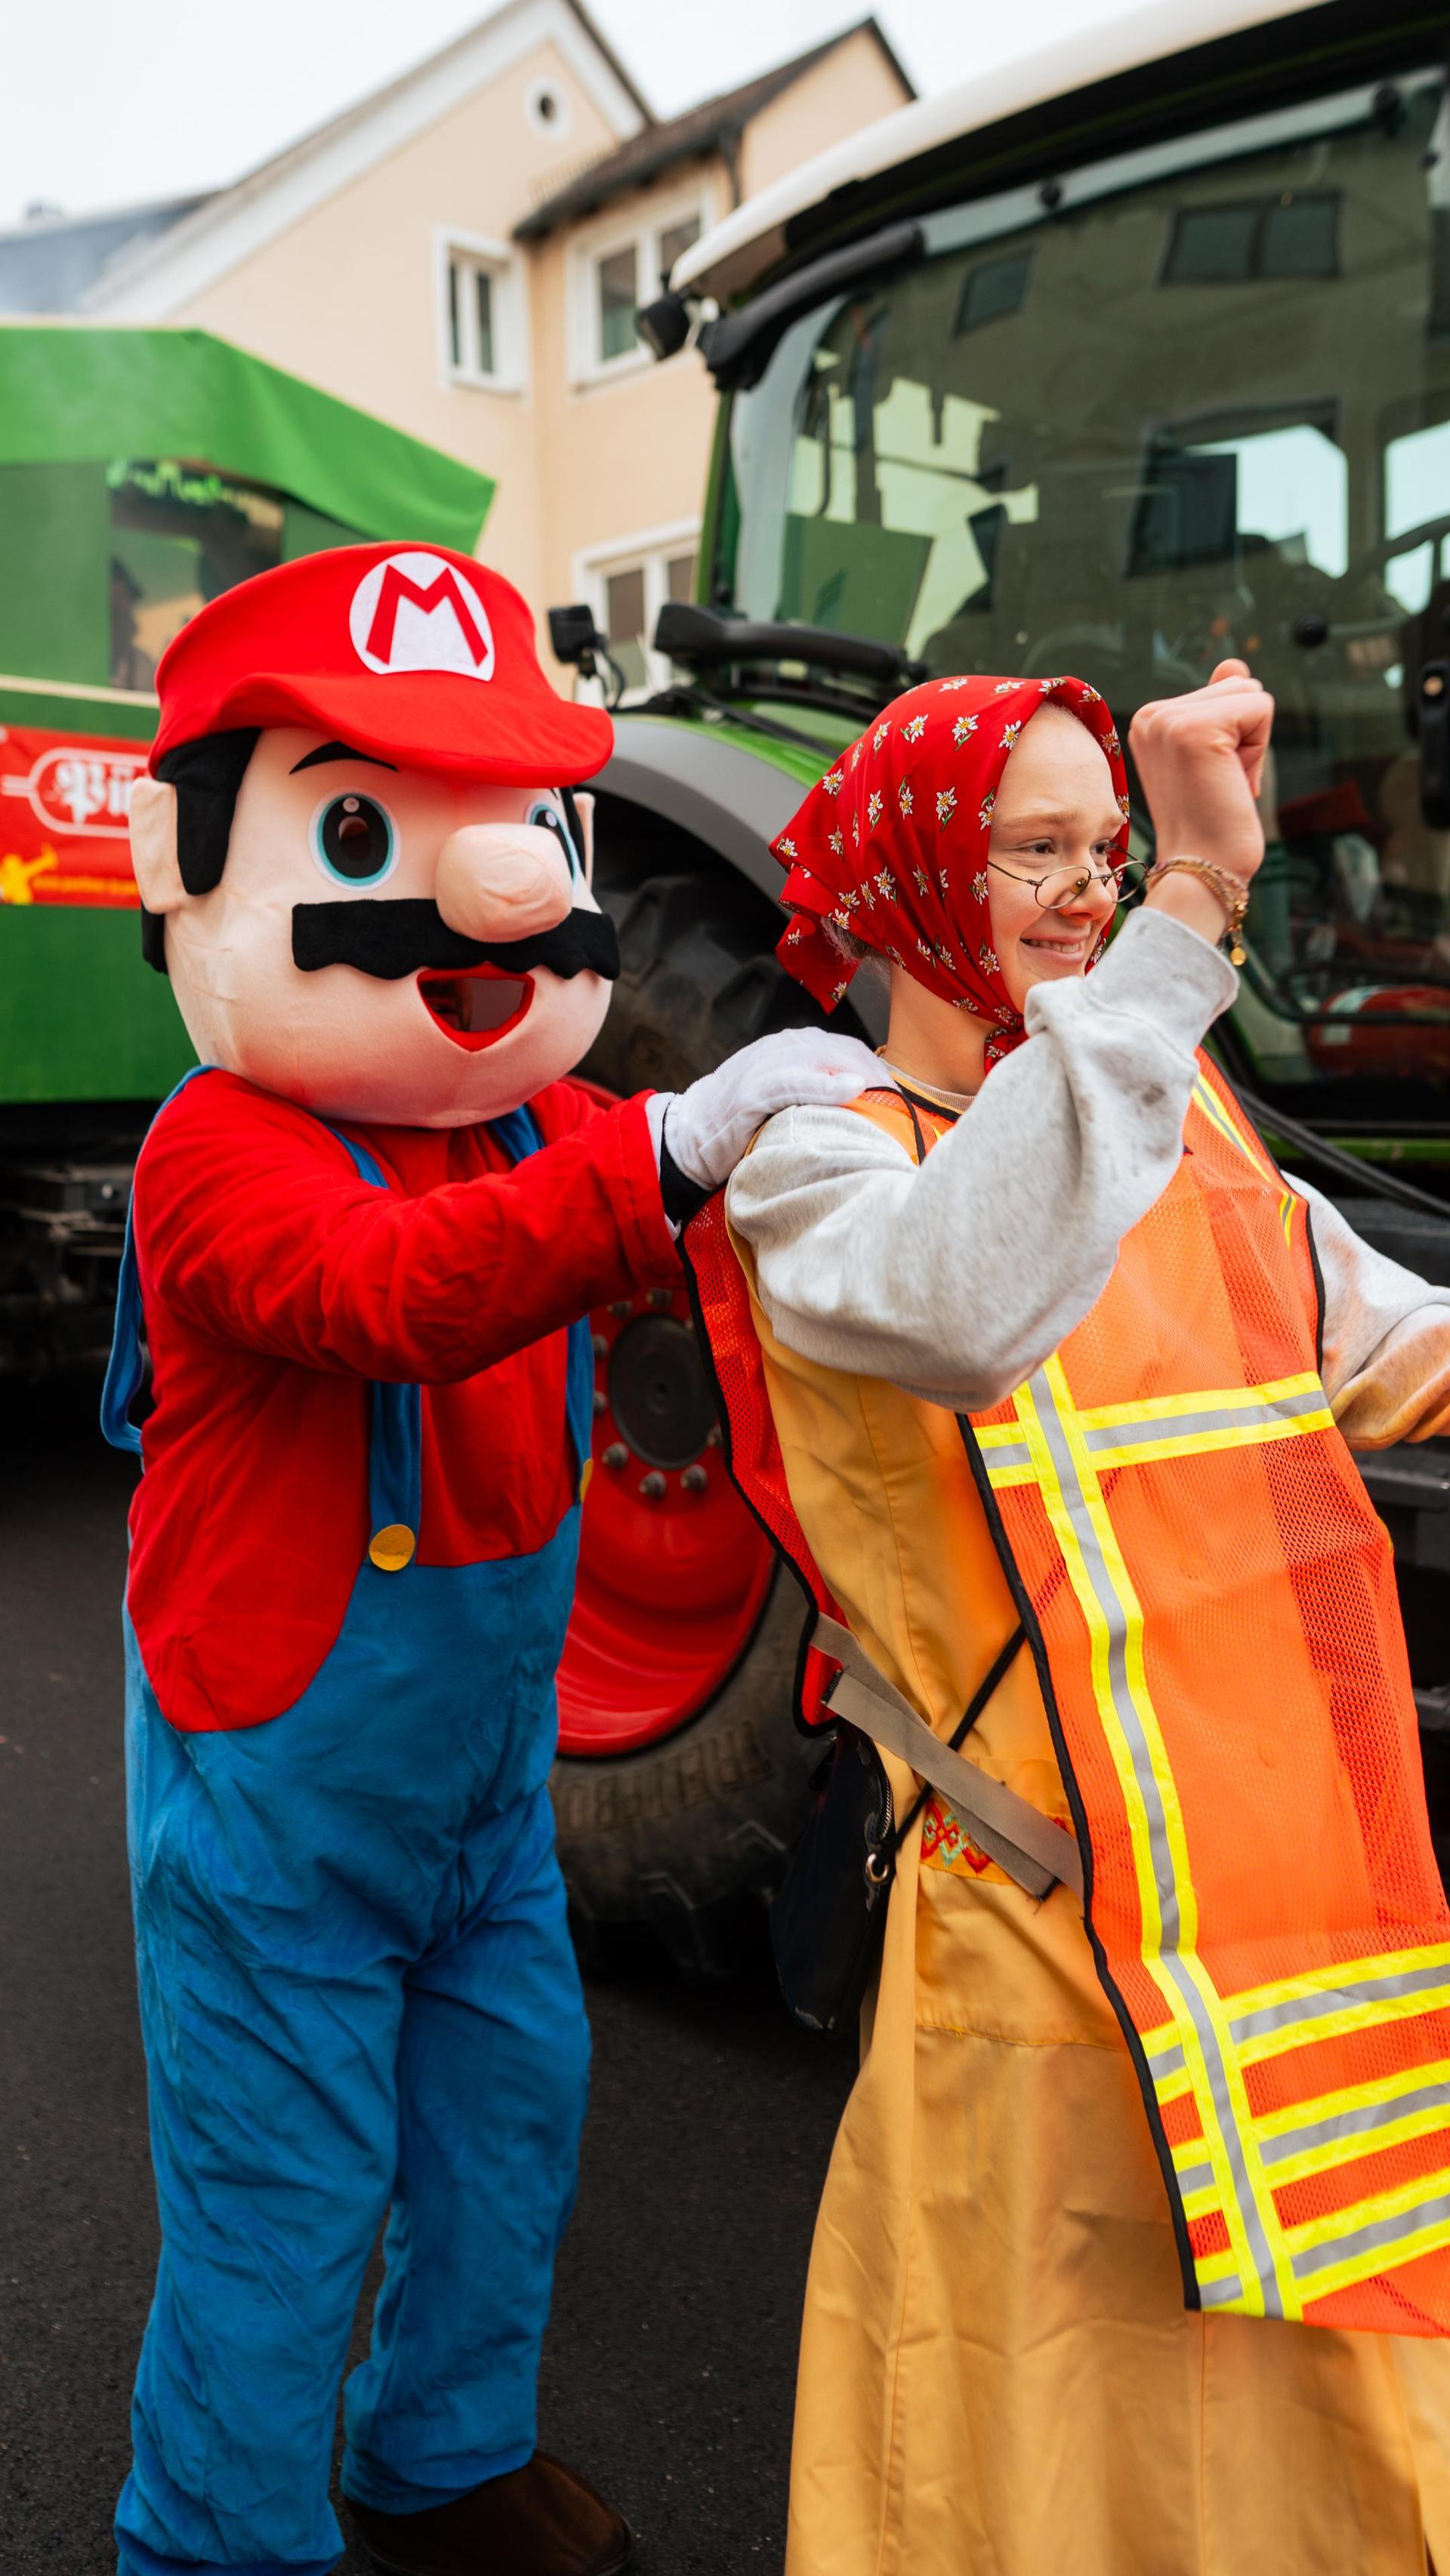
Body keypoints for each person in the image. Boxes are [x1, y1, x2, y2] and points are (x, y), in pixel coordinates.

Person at [102, 541, 879, 2576]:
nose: (510, 891)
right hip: (280, 1782)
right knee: (285, 2188)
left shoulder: (524, 1126)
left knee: (506, 2124)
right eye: (366, 827)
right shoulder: (218, 1149)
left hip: (480, 1791)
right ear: (191, 862)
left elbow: (651, 1264)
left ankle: (440, 2448)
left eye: (528, 821)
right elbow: (385, 1291)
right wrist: (672, 1149)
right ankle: (217, 2536)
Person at [686, 661, 1450, 2574]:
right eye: (1033, 846)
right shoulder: (823, 1156)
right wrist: (1193, 915)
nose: (1086, 891)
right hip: (1026, 1938)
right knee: (1027, 2431)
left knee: (1296, 2404)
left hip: (1264, 1923)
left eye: (1108, 852)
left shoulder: (1185, 1122)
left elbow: (1375, 1339)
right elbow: (967, 1296)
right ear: (914, 872)